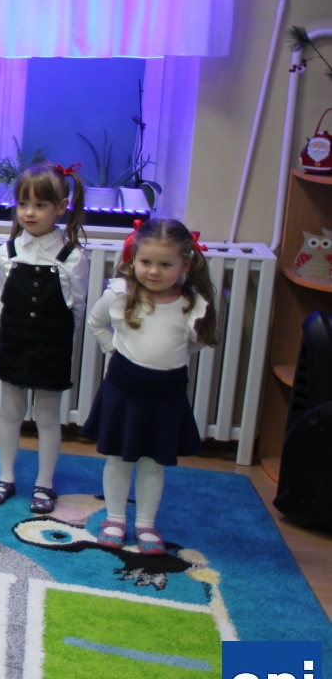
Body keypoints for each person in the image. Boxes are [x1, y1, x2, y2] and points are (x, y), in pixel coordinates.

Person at [81, 218, 217, 554]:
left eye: (165, 264)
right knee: (118, 459)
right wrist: (113, 350)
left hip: (166, 395)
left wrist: (172, 357)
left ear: (185, 265)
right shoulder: (119, 294)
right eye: (146, 262)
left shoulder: (192, 304)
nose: (154, 271)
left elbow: (198, 341)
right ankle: (114, 519)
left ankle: (145, 523)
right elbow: (96, 323)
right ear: (133, 260)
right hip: (123, 390)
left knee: (153, 463)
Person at [0, 163, 89, 513]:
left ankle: (45, 484)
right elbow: (6, 298)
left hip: (51, 346)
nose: (29, 212)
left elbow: (77, 308)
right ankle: (5, 477)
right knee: (10, 411)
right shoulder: (9, 251)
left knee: (47, 415)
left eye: (40, 205)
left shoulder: (72, 256)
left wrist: (57, 341)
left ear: (61, 207)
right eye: (23, 204)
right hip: (14, 341)